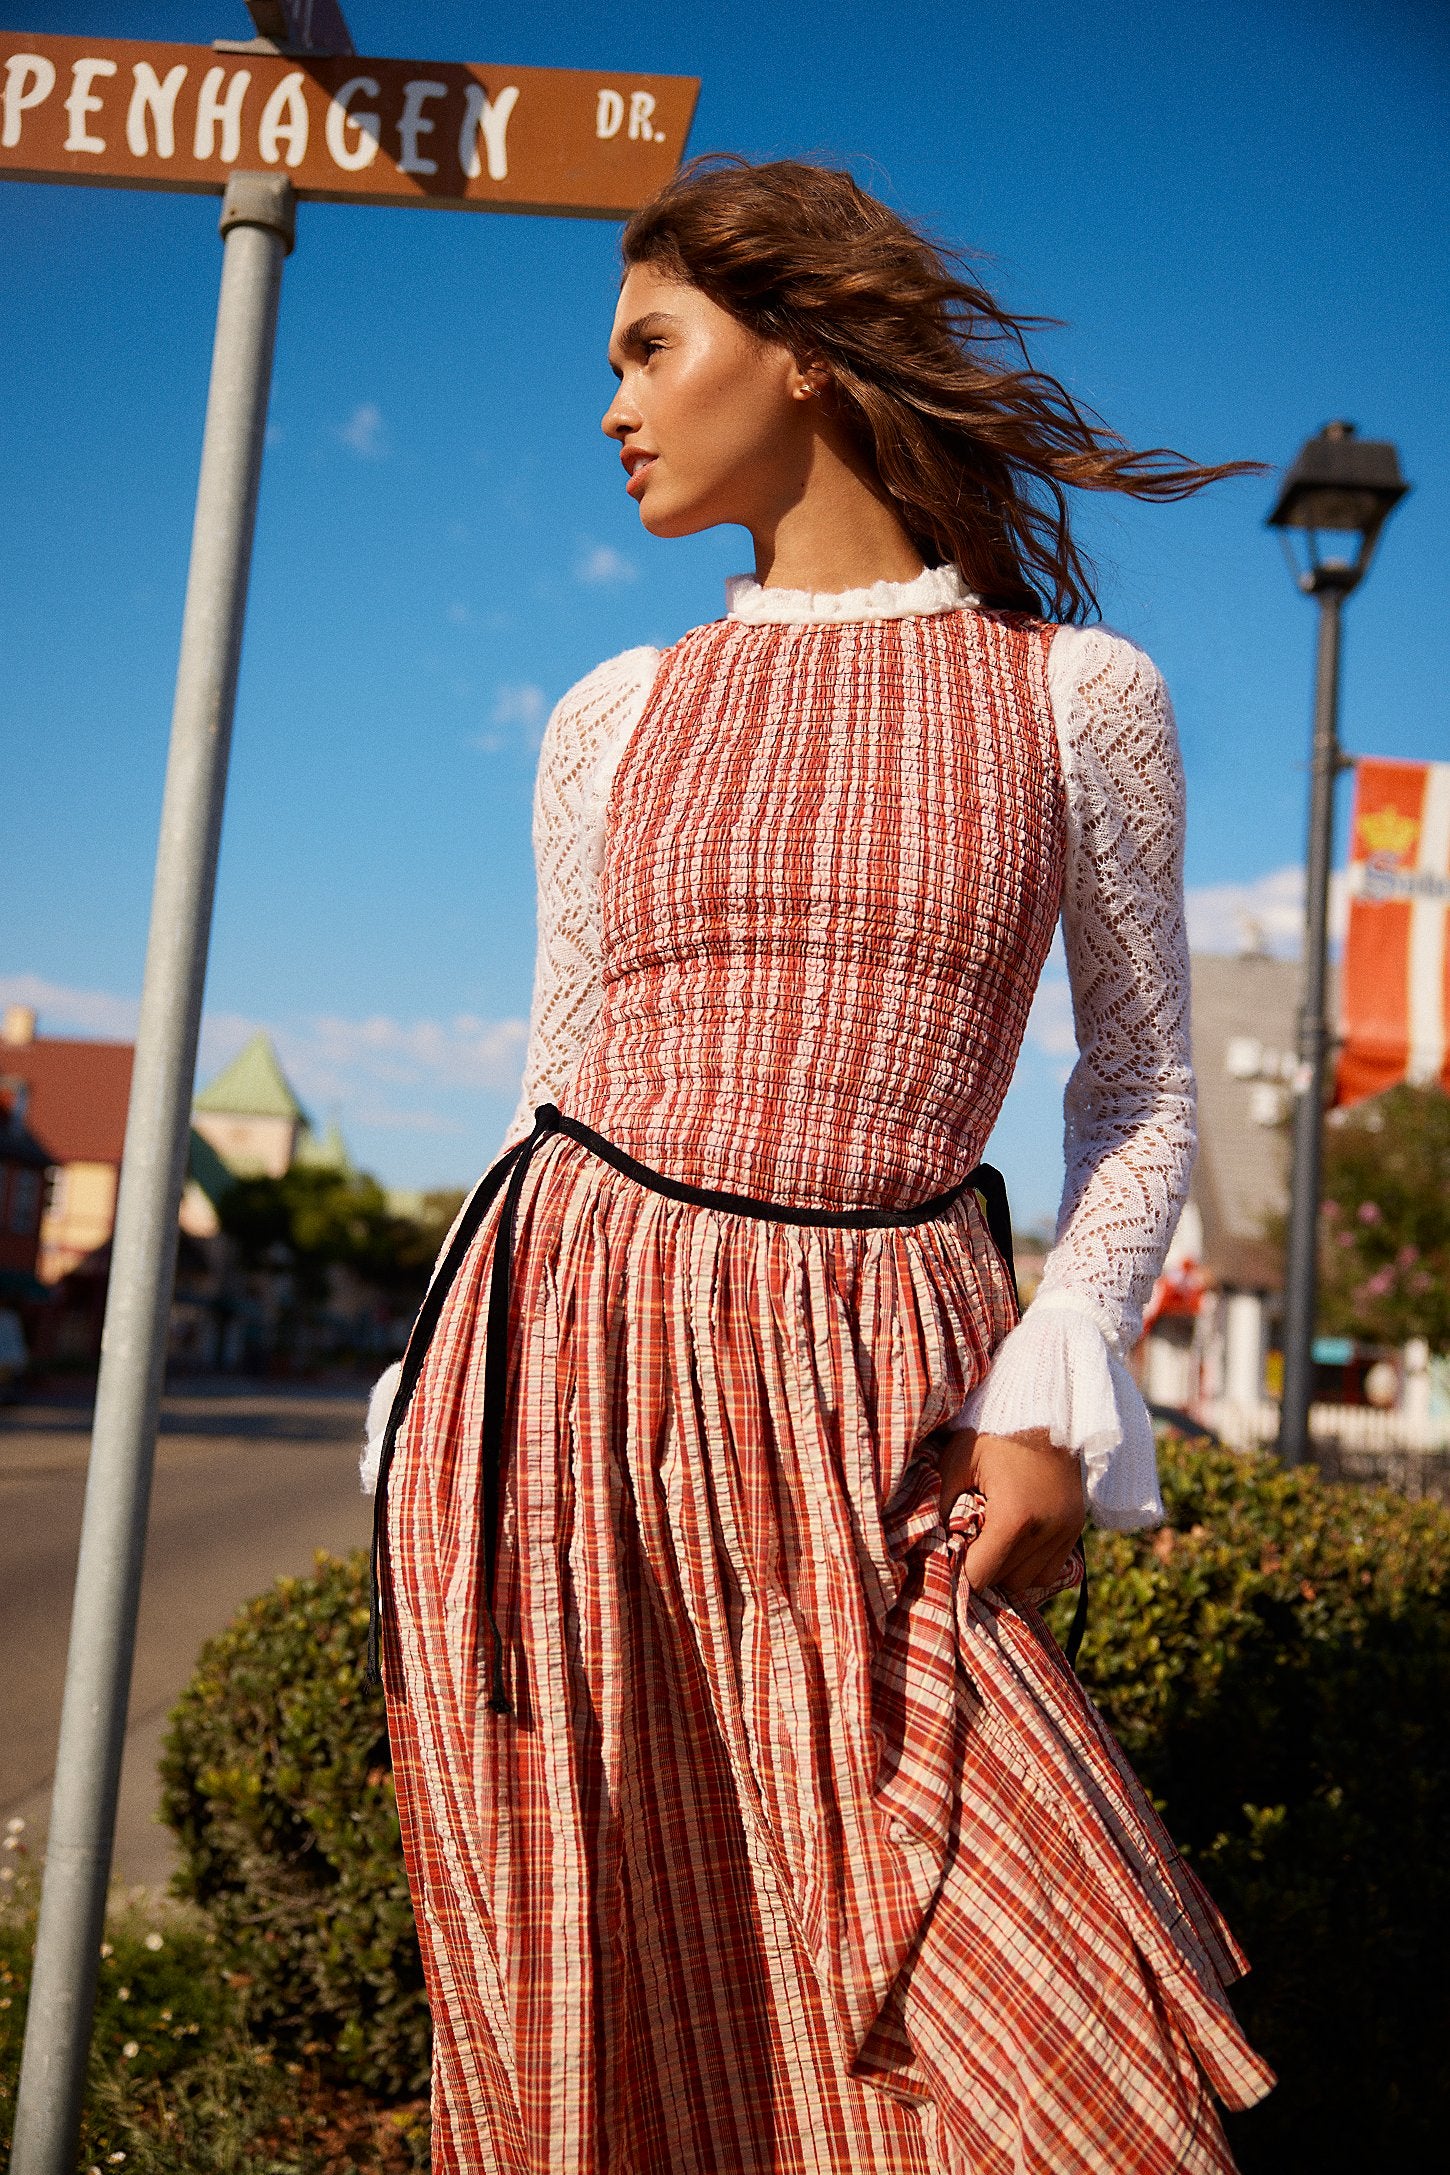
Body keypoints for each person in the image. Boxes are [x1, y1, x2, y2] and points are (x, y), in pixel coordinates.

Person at [363, 155, 1276, 2174]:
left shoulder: (1073, 698)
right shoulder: (613, 711)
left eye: (647, 345)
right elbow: (554, 1077)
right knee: (606, 1980)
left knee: (1028, 2002)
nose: (610, 403)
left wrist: (1059, 1367)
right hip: (572, 1387)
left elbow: (1135, 1085)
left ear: (801, 351)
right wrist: (432, 1375)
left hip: (885, 1400)